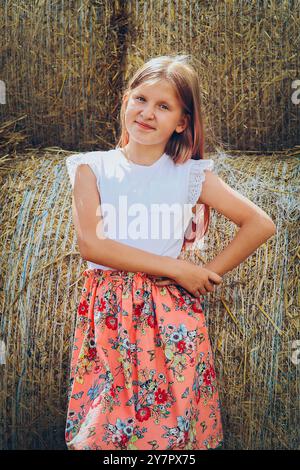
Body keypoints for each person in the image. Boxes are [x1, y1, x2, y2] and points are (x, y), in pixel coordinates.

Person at [64, 54, 276, 451]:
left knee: (171, 433)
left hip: (170, 316)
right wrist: (178, 268)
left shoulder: (190, 175)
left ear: (182, 121)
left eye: (163, 106)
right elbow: (92, 245)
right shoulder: (91, 168)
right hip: (110, 314)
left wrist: (206, 272)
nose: (147, 112)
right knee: (105, 434)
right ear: (125, 101)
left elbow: (260, 224)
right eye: (140, 99)